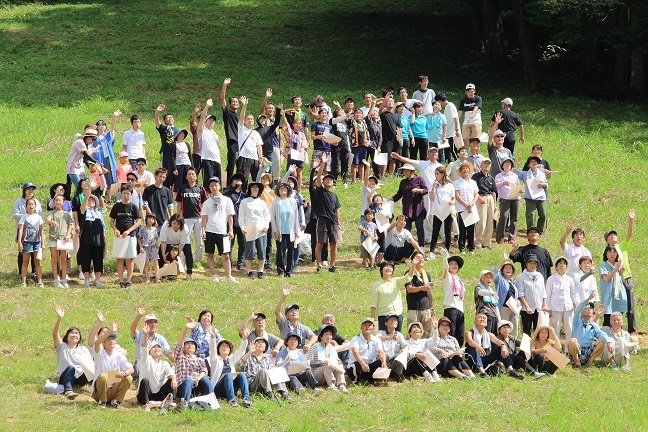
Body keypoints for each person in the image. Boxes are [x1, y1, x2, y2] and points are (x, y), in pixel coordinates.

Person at [604, 209, 636, 335]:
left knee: (630, 305)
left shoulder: (622, 246)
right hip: (614, 279)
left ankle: (632, 330)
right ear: (607, 241)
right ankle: (617, 329)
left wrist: (631, 221)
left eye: (614, 235)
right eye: (610, 236)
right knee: (618, 305)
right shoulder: (606, 252)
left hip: (626, 277)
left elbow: (629, 235)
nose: (613, 236)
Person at [201, 176, 238, 283]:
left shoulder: (227, 200)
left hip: (223, 231)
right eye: (212, 185)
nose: (214, 187)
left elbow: (230, 216)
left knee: (226, 255)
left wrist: (230, 229)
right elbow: (204, 217)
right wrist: (203, 230)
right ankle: (214, 275)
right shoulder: (207, 203)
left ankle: (229, 276)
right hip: (210, 231)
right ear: (209, 188)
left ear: (220, 186)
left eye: (216, 185)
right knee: (209, 254)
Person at [464, 313, 524, 379]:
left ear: (486, 323)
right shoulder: (470, 332)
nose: (482, 319)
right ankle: (482, 372)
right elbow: (469, 340)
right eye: (480, 317)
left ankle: (511, 370)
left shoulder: (489, 334)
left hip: (485, 358)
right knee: (474, 350)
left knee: (500, 348)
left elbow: (497, 341)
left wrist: (503, 346)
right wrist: (477, 346)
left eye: (484, 318)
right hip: (472, 359)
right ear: (475, 321)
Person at [52, 305, 93, 400]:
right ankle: (68, 391)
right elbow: (55, 334)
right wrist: (59, 319)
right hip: (66, 376)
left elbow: (89, 365)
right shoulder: (62, 347)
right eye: (72, 333)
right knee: (71, 368)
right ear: (67, 336)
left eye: (77, 333)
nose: (74, 334)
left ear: (79, 338)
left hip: (80, 377)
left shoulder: (83, 349)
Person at [313, 153, 341, 273]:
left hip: (333, 222)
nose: (328, 180)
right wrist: (323, 163)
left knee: (333, 244)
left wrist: (339, 223)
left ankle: (332, 265)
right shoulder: (320, 191)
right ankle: (318, 266)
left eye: (330, 179)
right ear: (323, 182)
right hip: (322, 220)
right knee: (320, 243)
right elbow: (318, 177)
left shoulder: (334, 195)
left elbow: (337, 210)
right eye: (327, 179)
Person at [136, 322, 176, 409]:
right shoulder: (146, 359)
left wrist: (173, 379)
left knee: (171, 381)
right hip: (146, 393)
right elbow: (144, 347)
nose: (156, 349)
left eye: (159, 348)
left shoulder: (164, 363)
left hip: (159, 394)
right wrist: (146, 334)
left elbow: (171, 373)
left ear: (162, 352)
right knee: (145, 381)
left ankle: (172, 403)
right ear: (149, 351)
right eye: (154, 348)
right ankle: (146, 404)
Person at [238, 337, 290, 402]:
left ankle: (284, 393)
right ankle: (269, 393)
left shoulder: (268, 359)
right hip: (254, 384)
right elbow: (240, 365)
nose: (260, 344)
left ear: (265, 348)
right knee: (263, 371)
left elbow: (271, 373)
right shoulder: (249, 357)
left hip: (267, 382)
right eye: (258, 342)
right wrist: (249, 352)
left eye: (262, 343)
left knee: (277, 371)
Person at [568, 293, 614, 368]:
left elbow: (601, 333)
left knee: (602, 341)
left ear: (593, 312)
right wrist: (588, 299)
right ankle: (577, 362)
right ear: (581, 312)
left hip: (588, 351)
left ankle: (590, 361)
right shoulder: (577, 321)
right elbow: (577, 310)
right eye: (586, 308)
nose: (589, 309)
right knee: (572, 341)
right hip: (577, 350)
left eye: (591, 308)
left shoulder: (593, 325)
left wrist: (608, 342)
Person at [109, 183, 141, 288]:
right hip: (119, 236)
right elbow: (111, 221)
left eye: (128, 193)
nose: (126, 195)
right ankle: (121, 281)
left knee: (130, 258)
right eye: (124, 193)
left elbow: (138, 221)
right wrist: (116, 230)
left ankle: (128, 280)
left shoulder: (134, 207)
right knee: (120, 258)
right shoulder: (116, 206)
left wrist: (129, 231)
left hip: (131, 236)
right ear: (121, 194)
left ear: (131, 195)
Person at [92, 328, 134, 409]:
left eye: (113, 339)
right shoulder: (99, 353)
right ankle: (102, 401)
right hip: (100, 390)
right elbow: (97, 343)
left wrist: (123, 373)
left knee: (128, 378)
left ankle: (116, 401)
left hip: (114, 388)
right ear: (103, 343)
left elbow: (131, 369)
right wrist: (111, 331)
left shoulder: (119, 355)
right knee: (103, 376)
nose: (111, 341)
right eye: (108, 339)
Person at [370, 261, 416, 332]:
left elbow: (408, 278)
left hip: (397, 315)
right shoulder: (376, 285)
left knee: (397, 336)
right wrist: (372, 318)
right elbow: (374, 303)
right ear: (381, 269)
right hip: (384, 316)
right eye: (386, 266)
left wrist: (413, 265)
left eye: (391, 267)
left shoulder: (396, 281)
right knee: (384, 338)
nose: (389, 268)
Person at [176, 168, 208, 269]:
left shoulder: (201, 188)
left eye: (193, 174)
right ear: (186, 176)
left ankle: (198, 262)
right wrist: (178, 217)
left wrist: (204, 218)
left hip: (198, 218)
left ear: (196, 176)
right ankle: (184, 262)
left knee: (199, 241)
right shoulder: (182, 188)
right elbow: (180, 203)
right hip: (186, 218)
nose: (191, 176)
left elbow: (204, 204)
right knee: (185, 240)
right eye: (189, 174)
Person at [208, 330, 251, 407]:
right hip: (218, 389)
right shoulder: (215, 360)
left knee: (241, 374)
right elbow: (212, 350)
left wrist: (244, 339)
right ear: (218, 349)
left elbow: (241, 351)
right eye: (222, 346)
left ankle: (246, 398)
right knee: (228, 375)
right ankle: (231, 399)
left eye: (227, 346)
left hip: (231, 387)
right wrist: (213, 338)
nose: (225, 348)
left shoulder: (231, 359)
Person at [174, 322, 213, 404]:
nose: (190, 345)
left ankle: (211, 401)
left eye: (192, 344)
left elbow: (204, 370)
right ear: (183, 347)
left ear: (195, 348)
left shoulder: (199, 359)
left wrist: (198, 378)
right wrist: (185, 328)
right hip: (183, 387)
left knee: (205, 379)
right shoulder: (180, 357)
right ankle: (185, 404)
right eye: (187, 344)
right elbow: (179, 343)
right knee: (188, 380)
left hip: (197, 386)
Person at [390, 163, 428, 246]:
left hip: (418, 208)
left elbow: (426, 190)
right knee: (407, 228)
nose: (405, 172)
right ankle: (406, 245)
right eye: (404, 171)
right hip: (407, 208)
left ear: (412, 171)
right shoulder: (403, 182)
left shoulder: (419, 179)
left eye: (407, 171)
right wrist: (391, 199)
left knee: (419, 227)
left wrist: (418, 190)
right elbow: (399, 194)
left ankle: (421, 245)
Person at [130, 304, 173, 374]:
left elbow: (169, 354)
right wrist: (139, 316)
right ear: (145, 324)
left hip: (156, 364)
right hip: (142, 363)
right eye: (150, 322)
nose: (153, 324)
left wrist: (179, 363)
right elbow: (132, 329)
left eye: (155, 322)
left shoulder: (161, 338)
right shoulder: (140, 335)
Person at [271, 182, 303, 277]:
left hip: (291, 231)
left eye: (285, 188)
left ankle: (289, 271)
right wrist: (275, 230)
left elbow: (296, 217)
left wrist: (297, 230)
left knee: (291, 252)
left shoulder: (292, 201)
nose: (283, 190)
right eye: (281, 189)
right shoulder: (276, 202)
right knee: (280, 252)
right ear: (278, 191)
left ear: (288, 190)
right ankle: (281, 271)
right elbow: (273, 217)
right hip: (280, 232)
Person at [239, 181, 269, 279]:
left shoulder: (262, 202)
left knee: (261, 251)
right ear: (250, 189)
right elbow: (241, 216)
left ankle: (260, 271)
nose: (255, 188)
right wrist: (242, 227)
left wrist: (266, 226)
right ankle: (249, 271)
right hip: (249, 228)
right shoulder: (245, 201)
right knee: (249, 251)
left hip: (261, 229)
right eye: (253, 187)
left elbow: (266, 216)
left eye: (257, 187)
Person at [546, 257, 579, 348]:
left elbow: (574, 292)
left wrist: (576, 302)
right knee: (556, 328)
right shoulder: (551, 279)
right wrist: (548, 308)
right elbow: (547, 294)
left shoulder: (569, 279)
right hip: (555, 307)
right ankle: (556, 348)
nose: (562, 265)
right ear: (556, 266)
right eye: (559, 263)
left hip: (568, 306)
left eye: (564, 264)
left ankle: (568, 349)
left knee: (569, 328)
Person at [307, 324, 348, 393]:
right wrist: (320, 363)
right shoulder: (314, 347)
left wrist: (338, 361)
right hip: (317, 374)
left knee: (339, 366)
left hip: (330, 372)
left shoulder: (332, 348)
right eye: (326, 334)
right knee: (327, 365)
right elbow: (308, 363)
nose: (329, 337)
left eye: (330, 334)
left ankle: (341, 385)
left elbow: (336, 359)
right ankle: (331, 385)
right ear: (320, 336)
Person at [77, 190, 106, 287]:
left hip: (98, 240)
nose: (90, 201)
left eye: (92, 200)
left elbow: (103, 227)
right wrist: (89, 191)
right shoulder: (84, 211)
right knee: (86, 259)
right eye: (89, 200)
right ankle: (86, 280)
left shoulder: (99, 214)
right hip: (86, 239)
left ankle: (97, 279)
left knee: (98, 259)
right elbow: (83, 204)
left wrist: (104, 239)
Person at [347, 317, 387, 385]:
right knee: (357, 364)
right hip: (357, 365)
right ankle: (357, 380)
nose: (367, 327)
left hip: (369, 366)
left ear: (373, 328)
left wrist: (384, 362)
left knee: (383, 359)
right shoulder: (356, 339)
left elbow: (381, 352)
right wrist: (363, 364)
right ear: (361, 327)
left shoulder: (376, 339)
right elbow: (355, 352)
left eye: (370, 325)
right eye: (365, 325)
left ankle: (371, 379)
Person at [46, 194, 74, 288]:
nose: (58, 202)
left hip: (63, 239)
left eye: (60, 200)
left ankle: (64, 279)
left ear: (63, 202)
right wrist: (52, 222)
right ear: (54, 202)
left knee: (64, 259)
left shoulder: (66, 214)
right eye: (56, 200)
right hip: (54, 238)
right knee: (54, 259)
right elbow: (47, 220)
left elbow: (70, 225)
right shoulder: (51, 213)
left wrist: (67, 235)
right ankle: (56, 279)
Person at [516, 253, 548, 336]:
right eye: (530, 263)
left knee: (539, 330)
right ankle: (526, 348)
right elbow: (520, 293)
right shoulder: (521, 277)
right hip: (526, 309)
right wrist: (527, 307)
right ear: (526, 264)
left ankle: (537, 348)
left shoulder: (540, 276)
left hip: (538, 308)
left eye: (534, 263)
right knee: (526, 331)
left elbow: (543, 291)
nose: (532, 265)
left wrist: (544, 304)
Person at [440, 248, 466, 346]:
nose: (454, 265)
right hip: (451, 307)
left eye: (456, 264)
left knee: (460, 334)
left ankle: (457, 352)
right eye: (452, 264)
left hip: (460, 309)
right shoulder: (448, 277)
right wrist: (445, 256)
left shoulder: (460, 280)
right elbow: (445, 268)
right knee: (452, 332)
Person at [405, 251, 434, 337]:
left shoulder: (426, 274)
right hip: (414, 307)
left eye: (422, 258)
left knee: (427, 332)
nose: (421, 259)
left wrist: (432, 307)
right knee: (413, 332)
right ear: (412, 261)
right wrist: (421, 288)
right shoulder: (409, 274)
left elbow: (429, 293)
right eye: (418, 258)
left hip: (426, 307)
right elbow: (409, 289)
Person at [17, 197, 44, 288]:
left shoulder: (39, 217)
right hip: (27, 242)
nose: (31, 206)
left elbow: (41, 231)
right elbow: (21, 230)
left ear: (35, 207)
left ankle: (40, 281)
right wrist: (20, 242)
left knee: (37, 262)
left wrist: (43, 243)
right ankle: (23, 282)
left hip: (37, 242)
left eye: (33, 204)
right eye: (29, 204)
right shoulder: (24, 217)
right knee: (25, 261)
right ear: (26, 206)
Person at [236, 96, 264, 183]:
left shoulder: (256, 133)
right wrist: (244, 106)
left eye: (251, 119)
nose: (250, 120)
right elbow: (241, 118)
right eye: (248, 119)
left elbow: (259, 146)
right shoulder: (241, 129)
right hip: (244, 158)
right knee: (243, 180)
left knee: (256, 180)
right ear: (244, 121)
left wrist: (260, 157)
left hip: (255, 159)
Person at [518, 156, 548, 235]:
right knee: (530, 215)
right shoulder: (525, 174)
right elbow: (516, 175)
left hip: (541, 197)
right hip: (530, 198)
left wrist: (542, 184)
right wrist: (518, 165)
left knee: (543, 215)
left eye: (536, 162)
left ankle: (540, 231)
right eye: (532, 162)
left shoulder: (541, 173)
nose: (534, 163)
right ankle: (531, 231)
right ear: (529, 165)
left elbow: (546, 184)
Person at [223, 172, 247, 271]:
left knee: (242, 244)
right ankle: (229, 263)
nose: (238, 182)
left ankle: (240, 264)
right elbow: (225, 196)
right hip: (230, 222)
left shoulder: (244, 195)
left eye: (239, 180)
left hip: (241, 222)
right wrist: (233, 188)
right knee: (230, 244)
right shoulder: (227, 193)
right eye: (235, 180)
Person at [428, 165, 454, 256]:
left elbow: (453, 198)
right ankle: (432, 250)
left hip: (447, 209)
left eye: (437, 174)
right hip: (437, 210)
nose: (436, 176)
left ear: (443, 174)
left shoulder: (450, 185)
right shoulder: (434, 185)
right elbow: (431, 198)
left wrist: (451, 202)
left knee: (447, 231)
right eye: (435, 174)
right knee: (435, 231)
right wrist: (433, 188)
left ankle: (447, 249)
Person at [198, 98, 223, 190]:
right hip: (207, 159)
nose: (211, 121)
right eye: (209, 119)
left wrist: (220, 161)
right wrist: (207, 106)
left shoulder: (215, 134)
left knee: (218, 182)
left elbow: (217, 148)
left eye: (213, 120)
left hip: (217, 160)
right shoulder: (202, 130)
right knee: (208, 182)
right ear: (205, 121)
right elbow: (201, 118)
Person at [92, 111, 121, 192]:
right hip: (98, 159)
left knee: (111, 175)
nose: (101, 127)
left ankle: (111, 195)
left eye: (103, 125)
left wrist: (115, 117)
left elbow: (112, 128)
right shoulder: (94, 137)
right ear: (97, 127)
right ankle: (100, 193)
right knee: (99, 176)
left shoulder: (108, 135)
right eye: (99, 125)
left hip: (108, 158)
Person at [599, 245, 628, 326]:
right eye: (610, 252)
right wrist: (616, 268)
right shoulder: (603, 265)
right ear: (606, 254)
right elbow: (606, 278)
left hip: (619, 295)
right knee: (608, 321)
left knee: (618, 321)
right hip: (609, 297)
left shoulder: (618, 265)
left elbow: (622, 281)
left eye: (614, 252)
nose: (612, 254)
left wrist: (621, 272)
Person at [158, 213, 193, 279]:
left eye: (178, 224)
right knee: (160, 253)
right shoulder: (165, 226)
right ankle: (162, 273)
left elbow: (182, 243)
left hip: (181, 242)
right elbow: (163, 242)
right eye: (174, 223)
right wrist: (163, 254)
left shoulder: (185, 229)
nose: (176, 225)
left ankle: (189, 273)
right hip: (168, 241)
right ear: (171, 222)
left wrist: (176, 255)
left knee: (188, 253)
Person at [454, 161, 478, 253]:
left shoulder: (473, 182)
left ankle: (471, 247)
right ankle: (462, 247)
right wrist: (465, 204)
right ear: (460, 171)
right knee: (462, 229)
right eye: (463, 169)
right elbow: (457, 195)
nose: (465, 170)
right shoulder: (457, 182)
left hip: (471, 208)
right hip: (461, 208)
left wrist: (471, 204)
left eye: (467, 168)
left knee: (471, 228)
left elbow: (476, 194)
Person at [494, 253, 521, 338]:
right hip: (504, 308)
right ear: (502, 270)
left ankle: (512, 348)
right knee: (503, 329)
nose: (508, 269)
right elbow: (494, 272)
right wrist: (504, 260)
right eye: (506, 268)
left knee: (514, 330)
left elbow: (516, 295)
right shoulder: (500, 280)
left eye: (510, 268)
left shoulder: (513, 283)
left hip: (514, 309)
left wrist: (518, 301)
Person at [153, 104, 180, 188]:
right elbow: (157, 123)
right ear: (165, 121)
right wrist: (157, 112)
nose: (170, 119)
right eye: (168, 118)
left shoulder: (178, 130)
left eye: (171, 117)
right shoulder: (164, 129)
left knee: (177, 175)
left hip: (177, 154)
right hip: (167, 153)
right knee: (167, 173)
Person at [472, 158, 496, 249]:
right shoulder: (476, 176)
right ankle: (478, 241)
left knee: (490, 221)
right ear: (481, 165)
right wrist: (479, 198)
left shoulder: (491, 178)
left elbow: (493, 191)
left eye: (488, 164)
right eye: (485, 164)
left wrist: (495, 204)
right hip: (480, 197)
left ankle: (487, 242)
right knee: (481, 221)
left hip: (490, 198)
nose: (486, 166)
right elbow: (473, 190)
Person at [495, 158, 521, 243]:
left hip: (515, 198)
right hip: (504, 198)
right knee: (504, 217)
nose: (508, 165)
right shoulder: (499, 176)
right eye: (506, 163)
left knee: (514, 218)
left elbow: (518, 185)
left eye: (509, 164)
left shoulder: (514, 176)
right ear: (502, 166)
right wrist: (503, 183)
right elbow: (495, 187)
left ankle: (512, 237)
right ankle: (500, 238)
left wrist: (520, 190)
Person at [376, 314, 408, 382]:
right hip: (383, 360)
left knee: (404, 354)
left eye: (395, 320)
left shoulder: (399, 335)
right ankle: (383, 375)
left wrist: (403, 349)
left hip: (394, 360)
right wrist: (389, 337)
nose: (394, 321)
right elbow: (376, 339)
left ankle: (396, 373)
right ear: (386, 323)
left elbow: (405, 345)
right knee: (384, 355)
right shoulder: (381, 333)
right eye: (391, 319)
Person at [220, 78, 240, 184]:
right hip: (232, 141)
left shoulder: (240, 116)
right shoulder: (228, 113)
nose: (235, 103)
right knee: (231, 164)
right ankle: (226, 184)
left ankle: (238, 184)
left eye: (237, 102)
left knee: (240, 165)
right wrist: (225, 85)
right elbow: (222, 99)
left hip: (242, 143)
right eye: (233, 102)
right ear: (230, 104)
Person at [435, 92, 461, 162]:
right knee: (447, 150)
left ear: (440, 100)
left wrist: (457, 130)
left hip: (452, 133)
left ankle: (459, 164)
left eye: (438, 103)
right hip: (447, 133)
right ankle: (449, 163)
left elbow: (455, 118)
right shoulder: (447, 107)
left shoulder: (450, 106)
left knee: (452, 150)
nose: (438, 105)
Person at [475, 269, 501, 335]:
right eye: (486, 277)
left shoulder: (492, 291)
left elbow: (495, 306)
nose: (489, 279)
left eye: (490, 278)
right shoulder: (478, 287)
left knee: (494, 335)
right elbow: (481, 292)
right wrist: (491, 293)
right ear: (482, 279)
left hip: (494, 316)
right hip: (484, 315)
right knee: (486, 334)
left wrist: (499, 319)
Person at [169, 129, 192, 199]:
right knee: (177, 184)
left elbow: (190, 156)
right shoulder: (173, 145)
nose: (182, 135)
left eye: (183, 134)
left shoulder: (186, 144)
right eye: (181, 133)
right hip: (179, 165)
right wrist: (174, 168)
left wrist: (192, 168)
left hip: (187, 164)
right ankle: (176, 199)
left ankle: (186, 198)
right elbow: (172, 157)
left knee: (187, 182)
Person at [138, 214, 159, 283]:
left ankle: (157, 277)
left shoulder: (154, 229)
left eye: (153, 219)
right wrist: (141, 247)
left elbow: (156, 237)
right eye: (149, 218)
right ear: (146, 219)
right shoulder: (142, 229)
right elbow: (139, 238)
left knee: (156, 262)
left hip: (153, 247)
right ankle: (147, 278)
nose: (151, 220)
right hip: (145, 247)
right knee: (146, 263)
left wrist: (157, 243)